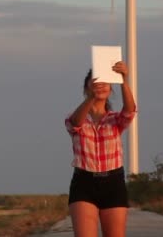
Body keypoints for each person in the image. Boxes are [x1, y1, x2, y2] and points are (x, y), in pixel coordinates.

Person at [65, 61, 136, 237]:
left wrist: (123, 80)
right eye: (96, 81)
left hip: (113, 182)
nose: (101, 85)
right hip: (84, 182)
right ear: (86, 87)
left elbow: (130, 111)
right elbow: (75, 124)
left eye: (106, 82)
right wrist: (91, 97)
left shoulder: (115, 119)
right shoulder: (75, 116)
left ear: (111, 89)